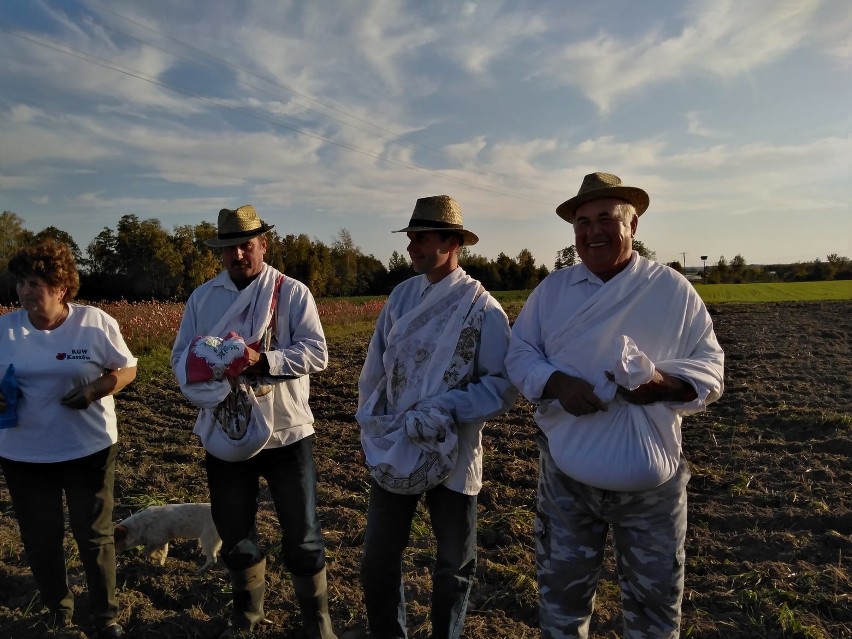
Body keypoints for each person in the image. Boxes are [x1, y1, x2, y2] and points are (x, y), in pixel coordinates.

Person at [505, 172, 725, 639]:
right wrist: (557, 381)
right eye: (582, 223)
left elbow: (711, 370)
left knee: (654, 613)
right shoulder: (554, 292)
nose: (592, 232)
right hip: (568, 486)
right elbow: (519, 354)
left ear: (633, 225)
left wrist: (661, 383)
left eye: (605, 218)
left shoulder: (670, 290)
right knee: (561, 606)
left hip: (651, 495)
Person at [171, 205, 336, 638]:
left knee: (302, 533)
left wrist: (263, 360)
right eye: (230, 247)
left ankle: (317, 622)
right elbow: (180, 359)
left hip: (287, 430)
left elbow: (316, 353)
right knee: (235, 528)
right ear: (220, 253)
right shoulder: (203, 299)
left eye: (247, 244)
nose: (239, 254)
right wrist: (207, 379)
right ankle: (247, 615)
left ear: (263, 244)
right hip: (225, 432)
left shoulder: (292, 292)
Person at [357, 195, 517, 639]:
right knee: (378, 560)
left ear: (452, 242)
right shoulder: (402, 297)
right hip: (396, 443)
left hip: (454, 448)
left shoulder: (482, 309)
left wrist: (445, 409)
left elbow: (502, 386)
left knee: (453, 564)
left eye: (421, 238)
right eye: (410, 238)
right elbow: (376, 370)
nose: (412, 246)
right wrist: (375, 424)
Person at [0, 241, 137, 639]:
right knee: (41, 537)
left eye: (35, 283)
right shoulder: (5, 330)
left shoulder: (94, 323)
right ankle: (58, 610)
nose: (25, 291)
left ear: (61, 288)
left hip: (87, 448)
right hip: (23, 452)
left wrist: (96, 390)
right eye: (21, 283)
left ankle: (105, 617)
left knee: (93, 535)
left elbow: (127, 369)